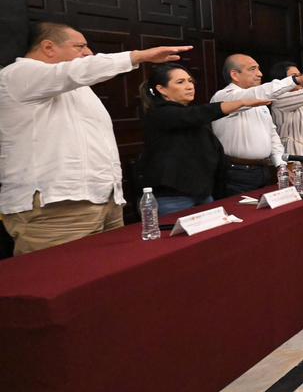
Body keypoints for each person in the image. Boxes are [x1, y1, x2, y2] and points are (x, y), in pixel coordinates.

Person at [0, 23, 189, 255]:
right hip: (57, 209)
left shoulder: (76, 88)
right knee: (64, 274)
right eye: (80, 46)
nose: (88, 53)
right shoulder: (19, 74)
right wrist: (138, 56)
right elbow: (76, 71)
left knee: (112, 272)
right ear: (48, 47)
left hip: (103, 202)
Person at [136, 64, 271, 217]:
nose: (189, 86)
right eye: (180, 82)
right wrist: (242, 102)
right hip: (172, 197)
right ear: (162, 89)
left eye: (190, 81)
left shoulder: (191, 114)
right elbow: (196, 114)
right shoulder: (159, 114)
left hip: (202, 192)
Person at [211, 54, 303, 195]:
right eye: (252, 69)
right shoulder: (223, 96)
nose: (260, 74)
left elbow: (272, 135)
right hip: (236, 172)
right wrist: (296, 80)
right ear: (235, 75)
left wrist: (281, 165)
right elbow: (259, 92)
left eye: (258, 69)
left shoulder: (260, 102)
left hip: (263, 169)